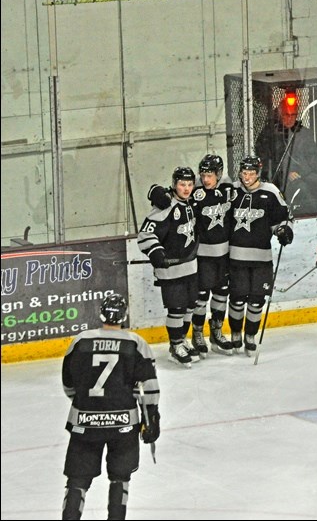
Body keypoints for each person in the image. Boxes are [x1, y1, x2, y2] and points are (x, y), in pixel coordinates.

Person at [61, 294, 160, 520]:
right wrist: (151, 417)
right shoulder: (136, 343)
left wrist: (87, 405)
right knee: (120, 478)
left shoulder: (80, 341)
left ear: (101, 314)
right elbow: (148, 388)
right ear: (124, 317)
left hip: (83, 423)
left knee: (77, 480)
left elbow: (69, 383)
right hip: (124, 426)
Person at [149, 155, 235, 356]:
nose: (206, 180)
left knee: (222, 294)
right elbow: (167, 191)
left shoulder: (229, 188)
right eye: (203, 175)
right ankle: (197, 333)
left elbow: (252, 185)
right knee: (201, 297)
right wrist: (155, 193)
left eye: (210, 175)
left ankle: (216, 332)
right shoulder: (193, 189)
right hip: (202, 255)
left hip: (224, 255)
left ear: (219, 174)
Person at [229, 155, 294, 356]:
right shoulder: (231, 191)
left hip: (261, 258)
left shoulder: (271, 192)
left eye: (250, 173)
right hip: (236, 258)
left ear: (258, 174)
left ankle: (250, 335)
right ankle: (235, 333)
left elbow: (282, 219)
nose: (246, 177)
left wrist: (284, 231)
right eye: (244, 173)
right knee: (238, 299)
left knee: (257, 300)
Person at [138, 166, 199, 368]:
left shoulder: (191, 202)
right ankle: (175, 346)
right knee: (177, 309)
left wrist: (155, 190)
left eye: (190, 184)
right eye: (182, 184)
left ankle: (182, 339)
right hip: (171, 270)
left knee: (190, 306)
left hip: (190, 267)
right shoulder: (165, 206)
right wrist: (155, 251)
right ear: (174, 185)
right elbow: (145, 234)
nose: (186, 188)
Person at [262, 92, 317, 216]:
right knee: (303, 189)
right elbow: (269, 161)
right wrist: (286, 173)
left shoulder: (303, 133)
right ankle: (313, 214)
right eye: (286, 115)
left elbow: (312, 156)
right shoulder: (272, 135)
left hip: (305, 173)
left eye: (293, 115)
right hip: (284, 179)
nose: (290, 118)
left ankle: (312, 209)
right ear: (280, 114)